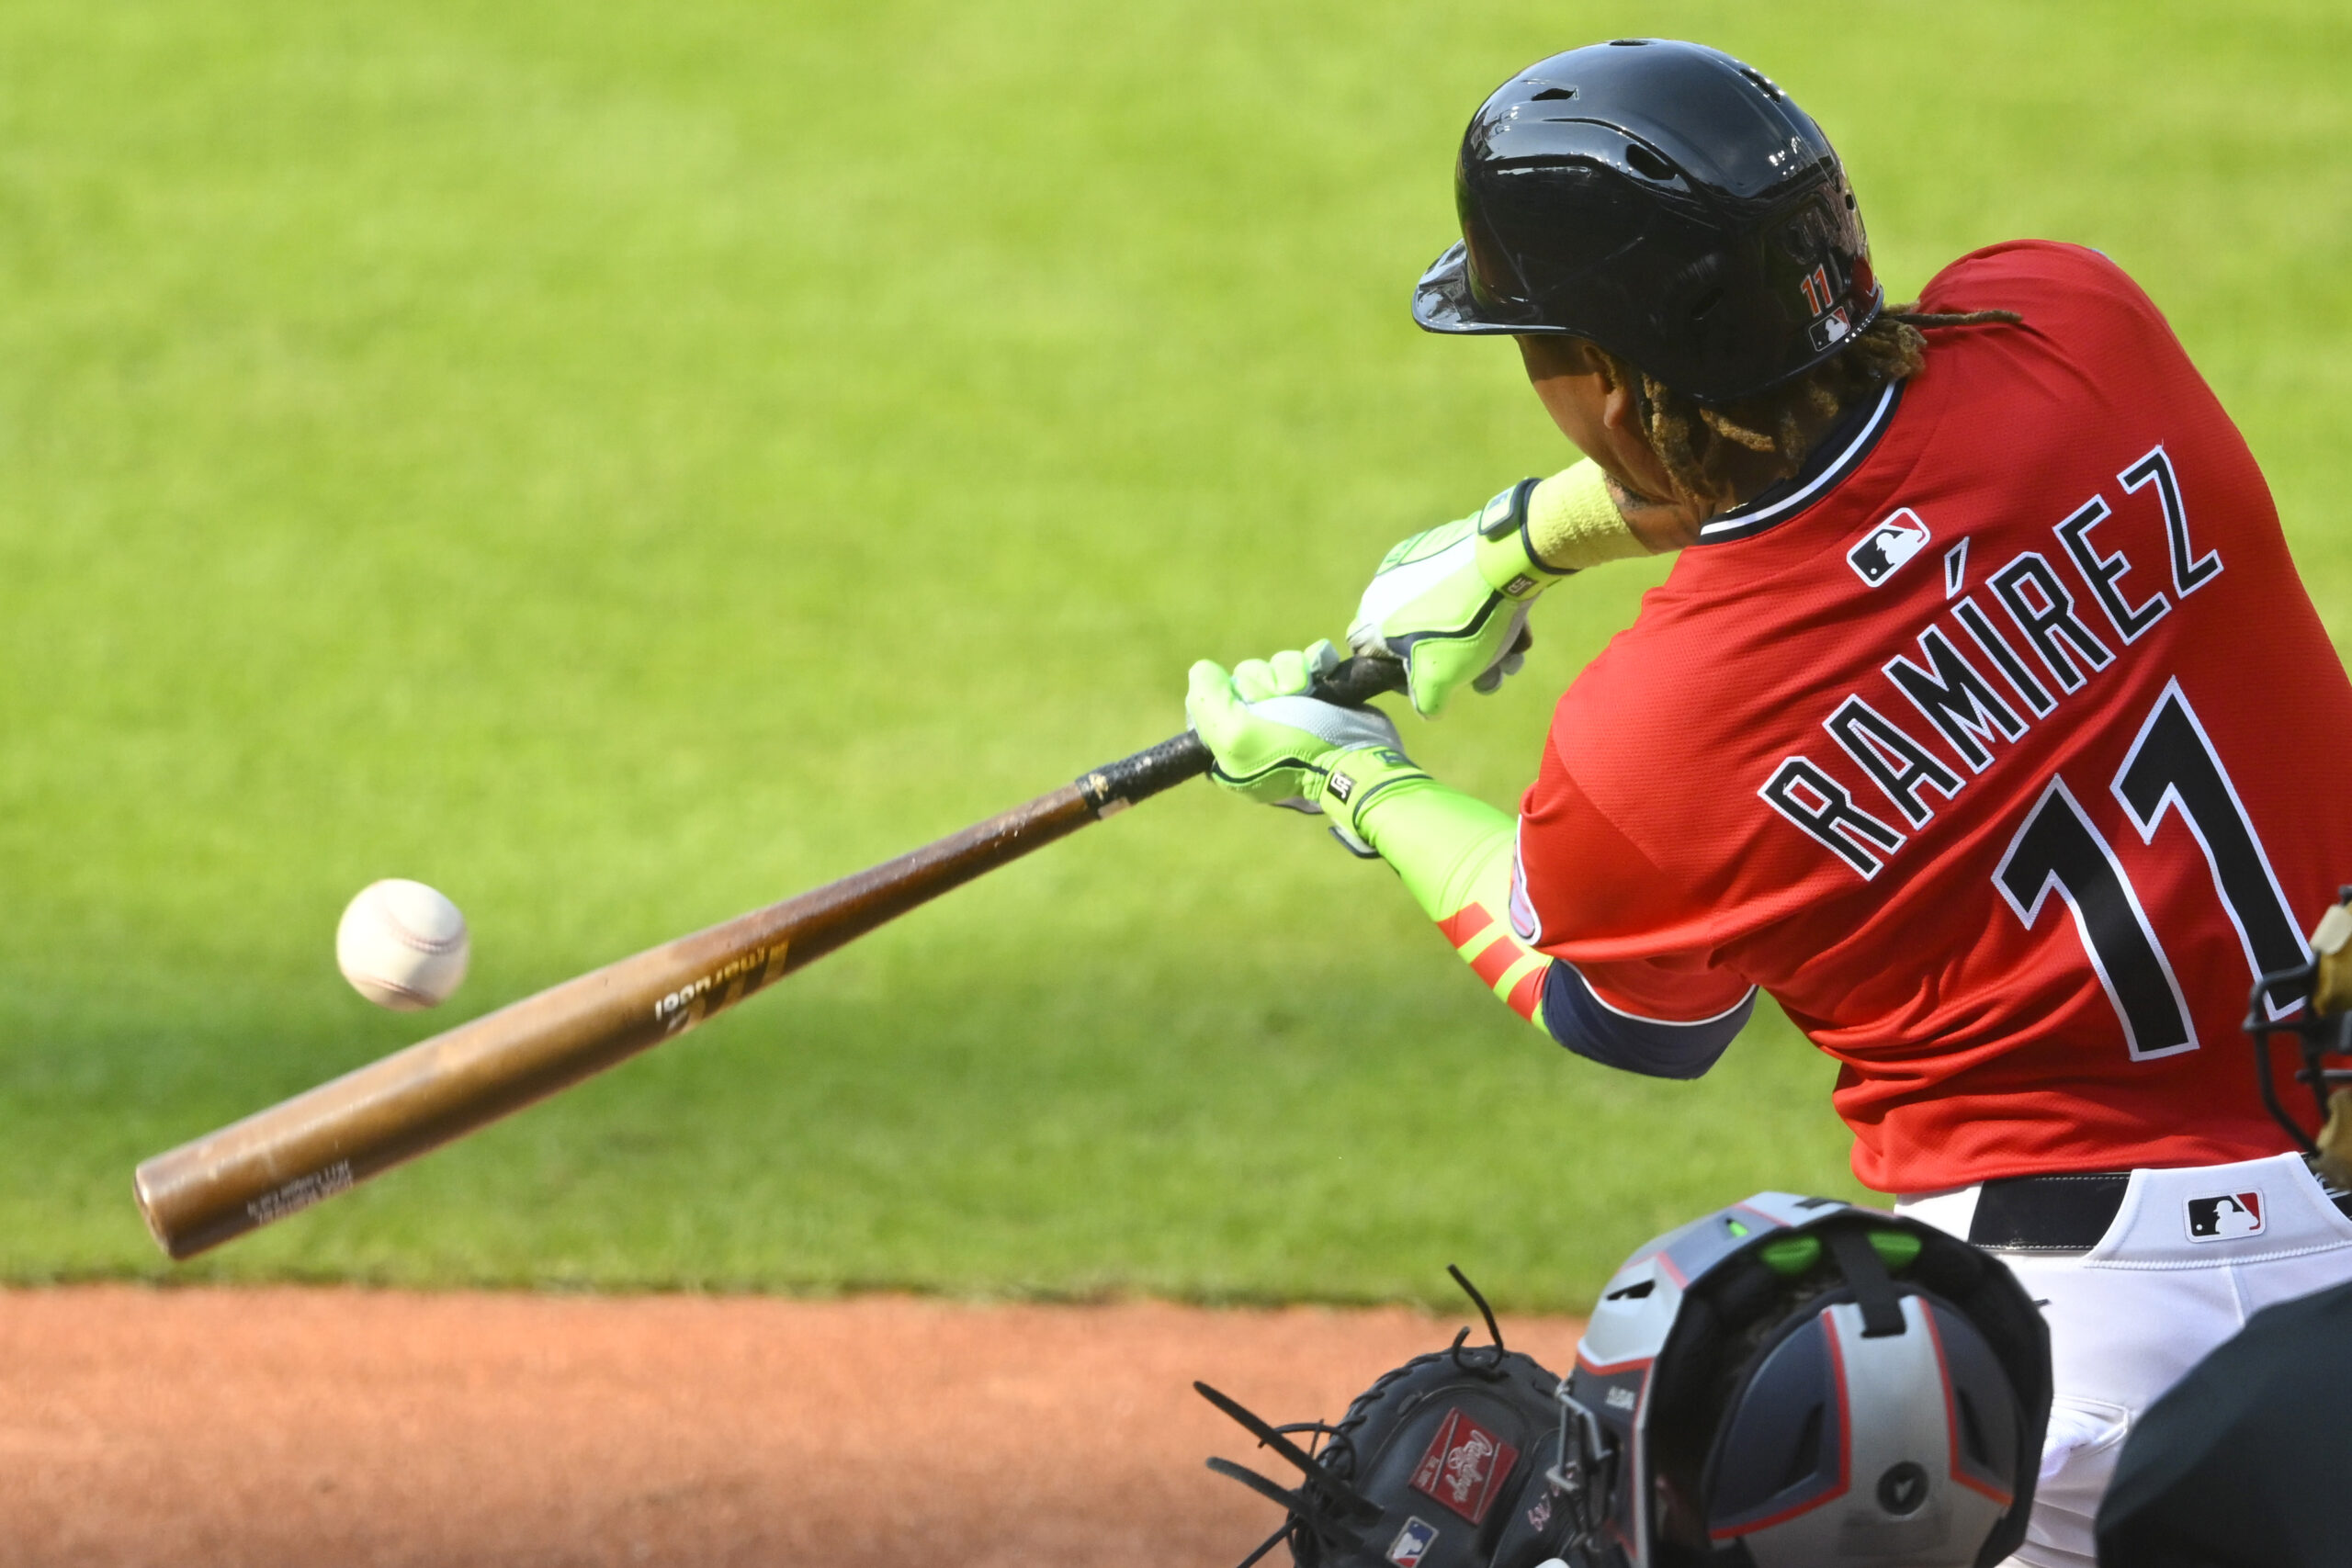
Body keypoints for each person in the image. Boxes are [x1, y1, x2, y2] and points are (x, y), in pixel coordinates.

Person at [1182, 39, 2352, 1568]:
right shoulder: (2082, 335)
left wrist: (1358, 779)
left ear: (1597, 380)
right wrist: (1520, 541)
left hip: (2060, 1371)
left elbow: (1626, 1013)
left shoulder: (1654, 741)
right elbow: (1869, 427)